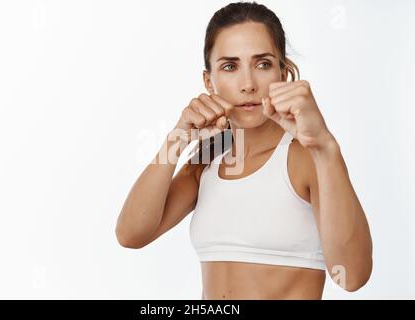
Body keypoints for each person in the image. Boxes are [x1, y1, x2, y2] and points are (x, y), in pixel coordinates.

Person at [116, 1, 373, 299]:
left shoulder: (305, 157)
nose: (248, 84)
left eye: (263, 64)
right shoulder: (210, 158)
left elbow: (353, 276)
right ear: (208, 82)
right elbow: (130, 234)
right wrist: (177, 138)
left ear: (284, 73)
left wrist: (327, 148)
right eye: (230, 66)